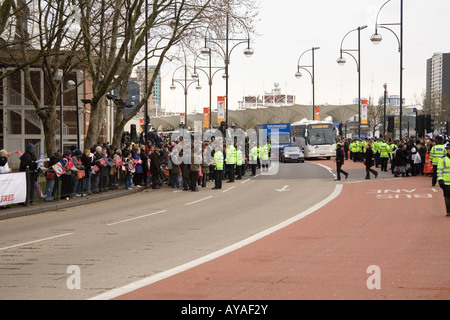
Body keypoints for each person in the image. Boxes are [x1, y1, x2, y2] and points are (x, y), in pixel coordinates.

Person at [437, 143, 450, 216]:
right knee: (447, 197)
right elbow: (439, 170)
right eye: (448, 149)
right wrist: (440, 180)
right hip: (446, 182)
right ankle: (448, 211)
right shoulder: (442, 159)